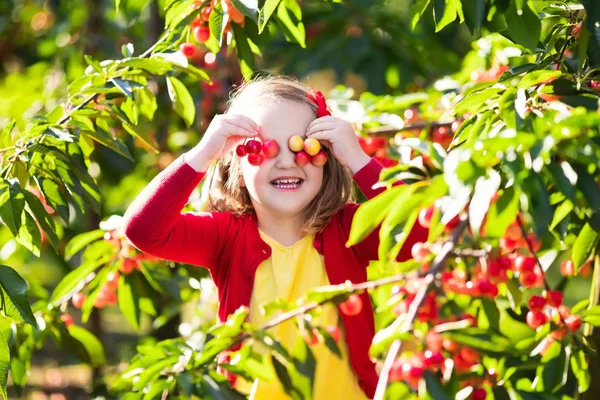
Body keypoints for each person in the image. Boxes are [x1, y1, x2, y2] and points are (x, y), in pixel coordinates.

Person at [122, 76, 426, 399]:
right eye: (263, 148)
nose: (284, 161)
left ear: (328, 157)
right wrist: (202, 153)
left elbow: (420, 231)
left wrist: (360, 160)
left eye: (303, 148)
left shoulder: (349, 230)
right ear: (235, 161)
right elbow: (143, 230)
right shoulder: (225, 237)